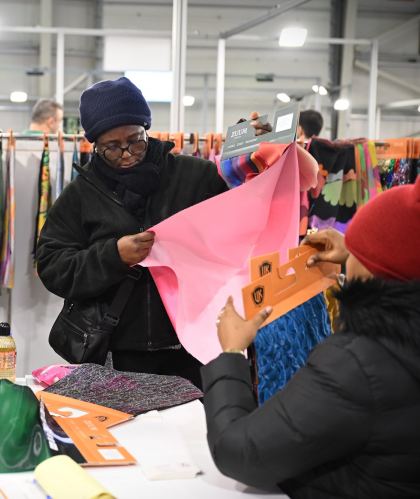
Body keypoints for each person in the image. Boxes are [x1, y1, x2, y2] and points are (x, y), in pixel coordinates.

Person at [202, 162, 420, 498]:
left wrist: (232, 352)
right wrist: (355, 250)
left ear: (377, 270)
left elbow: (240, 453)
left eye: (359, 251)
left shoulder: (358, 364)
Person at [36, 77, 270, 388]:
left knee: (196, 419)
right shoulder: (81, 195)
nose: (127, 154)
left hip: (193, 345)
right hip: (118, 350)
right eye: (111, 148)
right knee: (124, 420)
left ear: (146, 129)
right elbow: (52, 266)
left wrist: (256, 149)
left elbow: (247, 208)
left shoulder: (194, 176)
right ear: (94, 145)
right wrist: (113, 256)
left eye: (135, 141)